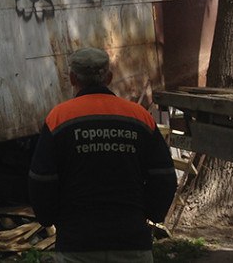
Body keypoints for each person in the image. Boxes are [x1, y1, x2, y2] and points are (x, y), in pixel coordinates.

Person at [28, 47, 177, 262]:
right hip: (131, 240)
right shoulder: (140, 117)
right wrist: (151, 213)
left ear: (72, 78)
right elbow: (164, 176)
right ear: (108, 78)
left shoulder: (58, 119)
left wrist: (49, 218)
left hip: (77, 244)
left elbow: (41, 180)